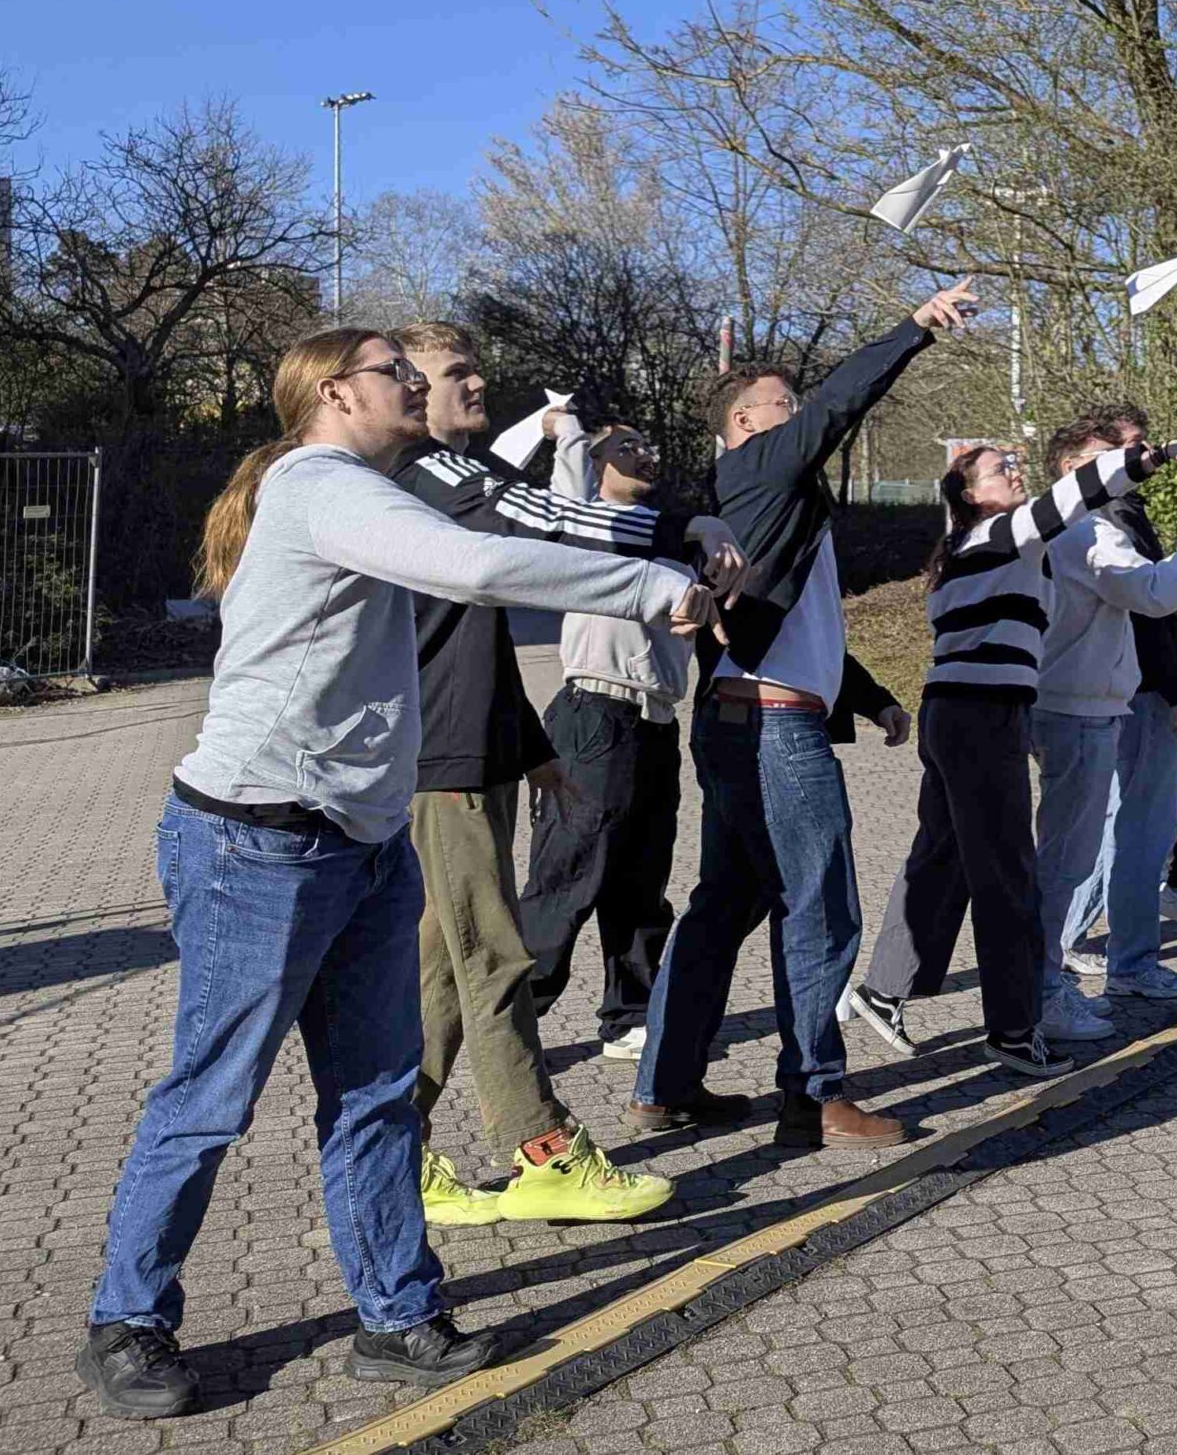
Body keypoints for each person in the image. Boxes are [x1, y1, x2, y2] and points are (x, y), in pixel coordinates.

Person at [80, 329, 717, 1420]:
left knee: (377, 1096)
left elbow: (492, 544)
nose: (417, 386)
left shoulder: (385, 490)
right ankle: (129, 1319)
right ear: (334, 393)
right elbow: (478, 566)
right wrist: (648, 581)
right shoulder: (318, 483)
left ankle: (396, 1313)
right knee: (210, 1097)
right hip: (254, 843)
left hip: (363, 847)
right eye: (396, 374)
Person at [387, 322, 739, 1228]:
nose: (476, 382)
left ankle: (393, 1153)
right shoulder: (433, 472)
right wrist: (680, 531)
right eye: (453, 371)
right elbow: (551, 525)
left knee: (442, 966)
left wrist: (526, 743)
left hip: (470, 751)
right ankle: (540, 1148)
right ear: (408, 387)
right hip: (438, 765)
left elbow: (465, 632)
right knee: (494, 953)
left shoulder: (446, 481)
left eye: (472, 366)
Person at [632, 286, 962, 1152]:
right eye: (782, 407)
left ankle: (664, 1085)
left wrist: (873, 696)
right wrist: (913, 330)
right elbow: (836, 407)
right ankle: (812, 1098)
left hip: (753, 715)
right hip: (773, 732)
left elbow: (786, 628)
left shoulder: (775, 510)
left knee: (725, 902)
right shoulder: (755, 470)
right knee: (821, 905)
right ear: (743, 425)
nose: (801, 419)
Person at [846, 436, 1177, 1076]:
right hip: (983, 717)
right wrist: (1149, 456)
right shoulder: (1002, 534)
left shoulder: (962, 553)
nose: (1014, 472)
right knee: (1008, 877)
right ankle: (1012, 1032)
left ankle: (882, 990)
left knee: (944, 855)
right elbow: (1073, 495)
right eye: (999, 469)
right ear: (972, 495)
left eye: (1012, 464)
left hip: (956, 713)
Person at [1034, 407, 1177, 1033]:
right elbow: (1156, 600)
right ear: (1075, 470)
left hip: (1097, 700)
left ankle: (1072, 974)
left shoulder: (1087, 521)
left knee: (1092, 844)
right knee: (1083, 850)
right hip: (1090, 704)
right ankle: (1050, 986)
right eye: (1119, 457)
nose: (1133, 467)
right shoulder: (1088, 528)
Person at [517, 417, 688, 1058]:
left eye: (649, 444)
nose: (646, 453)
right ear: (595, 467)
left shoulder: (672, 535)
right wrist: (568, 436)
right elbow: (562, 499)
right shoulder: (587, 527)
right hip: (595, 714)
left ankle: (630, 1016)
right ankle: (516, 1024)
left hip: (658, 720)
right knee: (566, 877)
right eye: (627, 448)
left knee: (644, 882)